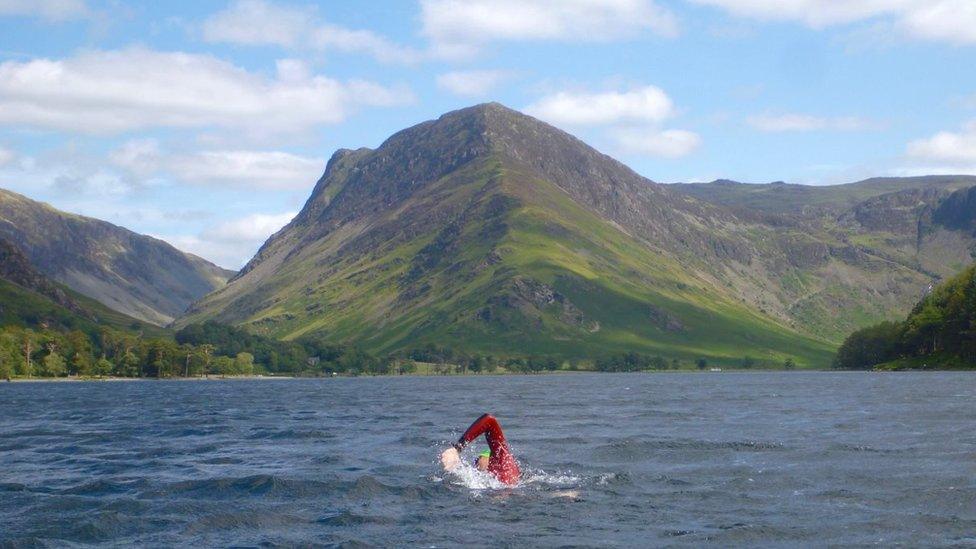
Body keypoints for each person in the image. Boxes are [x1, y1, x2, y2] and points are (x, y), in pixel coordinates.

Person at [440, 413, 521, 485]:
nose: (476, 466)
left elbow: (489, 420)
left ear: (489, 458)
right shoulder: (508, 473)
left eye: (477, 460)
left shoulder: (502, 458)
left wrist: (457, 449)